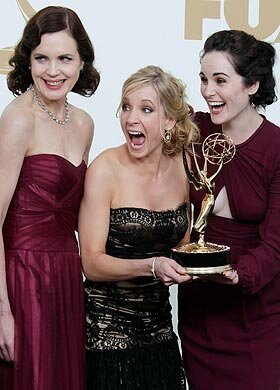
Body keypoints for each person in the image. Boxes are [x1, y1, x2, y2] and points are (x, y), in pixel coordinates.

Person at [78, 65, 199, 390]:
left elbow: (184, 247)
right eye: (127, 107)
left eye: (146, 109)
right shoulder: (105, 169)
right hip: (107, 331)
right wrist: (152, 265)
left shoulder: (185, 166)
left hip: (160, 329)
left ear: (170, 121)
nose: (131, 119)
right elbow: (91, 263)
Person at [0, 6, 100, 390]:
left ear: (81, 62)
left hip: (65, 276)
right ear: (28, 59)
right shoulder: (18, 118)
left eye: (65, 59)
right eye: (41, 58)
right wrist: (3, 312)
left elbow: (79, 215)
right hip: (20, 278)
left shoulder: (84, 123)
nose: (53, 71)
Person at [178, 29, 280, 390]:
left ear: (252, 84)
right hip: (199, 316)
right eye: (204, 79)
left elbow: (275, 245)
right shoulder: (193, 131)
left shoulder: (276, 148)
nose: (208, 91)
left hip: (256, 319)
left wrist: (237, 274)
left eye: (220, 80)